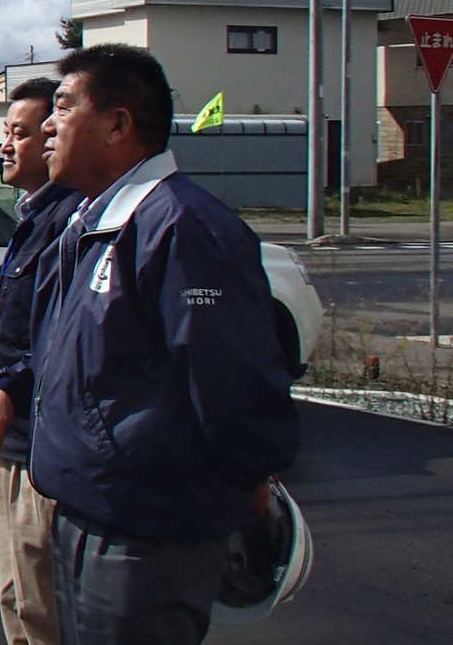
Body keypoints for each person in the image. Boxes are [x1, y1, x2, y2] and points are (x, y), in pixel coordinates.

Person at [30, 44, 299, 645]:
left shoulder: (183, 226)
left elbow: (235, 380)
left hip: (145, 531)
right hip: (85, 512)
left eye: (65, 107)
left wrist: (253, 480)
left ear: (119, 124)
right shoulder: (94, 222)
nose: (48, 124)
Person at [0, 77, 81, 645]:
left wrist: (11, 385)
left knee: (38, 600)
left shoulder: (69, 224)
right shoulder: (35, 215)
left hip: (39, 439)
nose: (6, 146)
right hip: (14, 433)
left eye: (20, 133)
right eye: (5, 133)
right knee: (17, 592)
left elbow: (58, 334)